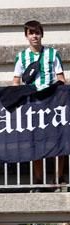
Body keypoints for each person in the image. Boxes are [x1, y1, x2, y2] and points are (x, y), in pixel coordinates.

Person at [14, 20, 67, 184]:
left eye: (37, 32)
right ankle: (38, 180)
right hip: (33, 104)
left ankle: (58, 178)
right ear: (26, 36)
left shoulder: (53, 53)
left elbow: (61, 79)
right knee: (35, 141)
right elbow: (16, 81)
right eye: (31, 33)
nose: (34, 36)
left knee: (59, 139)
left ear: (42, 34)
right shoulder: (22, 56)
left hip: (53, 103)